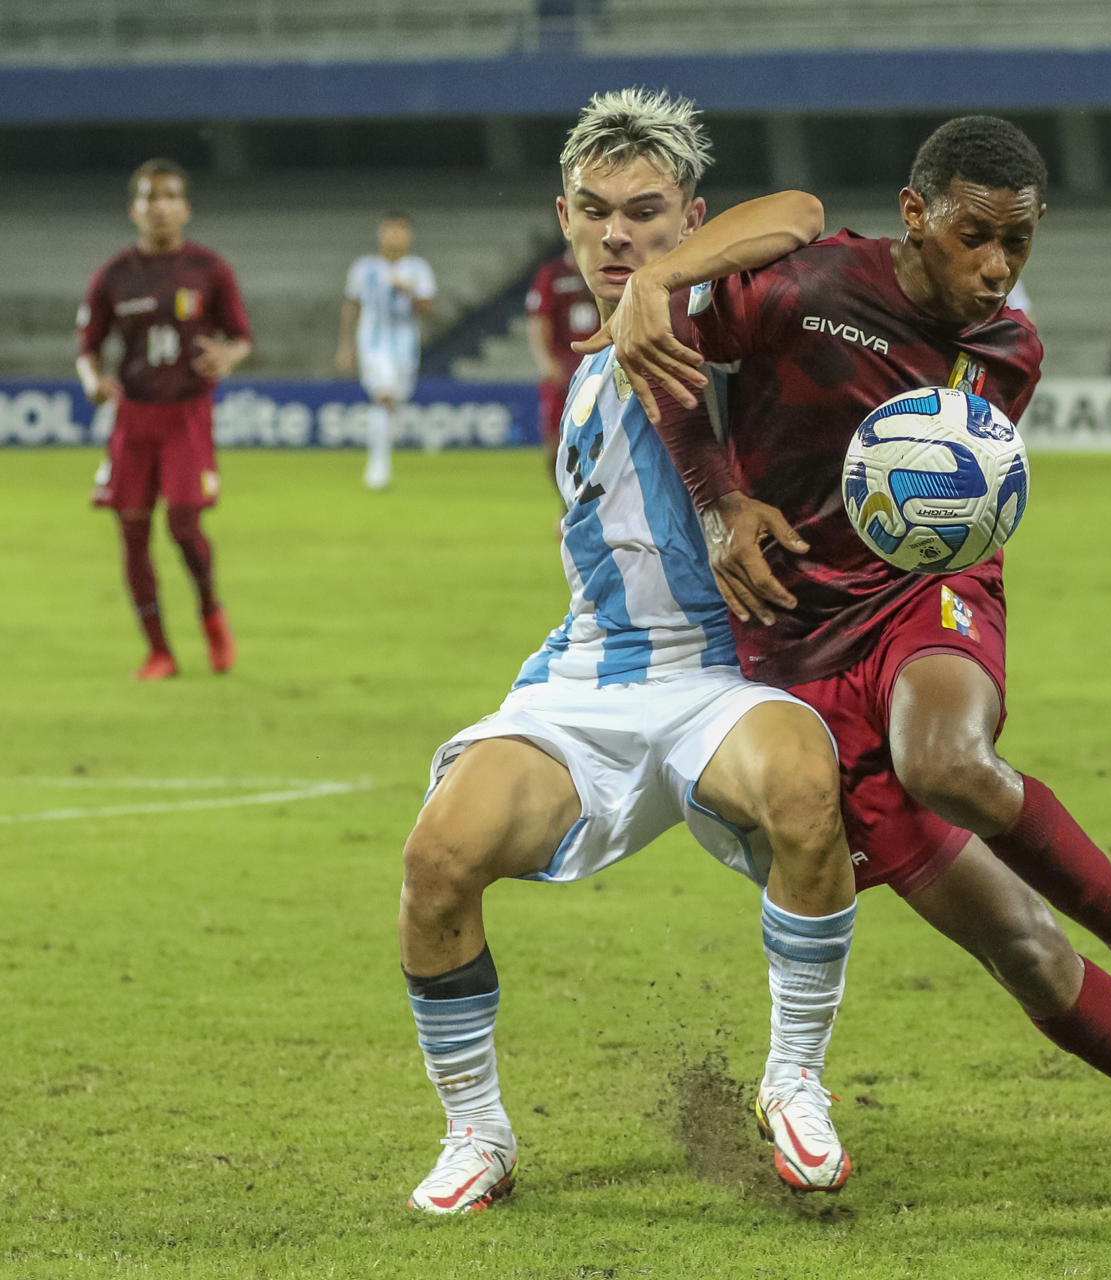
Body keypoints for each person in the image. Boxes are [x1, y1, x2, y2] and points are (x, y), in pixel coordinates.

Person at [645, 115, 1111, 1193]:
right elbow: (668, 357)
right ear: (916, 216)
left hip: (926, 587)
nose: (997, 267)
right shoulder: (801, 289)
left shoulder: (1010, 349)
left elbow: (954, 502)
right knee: (1031, 952)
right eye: (974, 237)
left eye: (1020, 243)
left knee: (947, 758)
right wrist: (722, 503)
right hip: (799, 653)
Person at [396, 88, 858, 1214]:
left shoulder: (734, 313)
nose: (618, 234)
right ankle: (478, 1134)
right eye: (597, 212)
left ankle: (794, 1079)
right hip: (587, 679)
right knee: (436, 860)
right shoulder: (593, 365)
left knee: (803, 786)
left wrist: (669, 276)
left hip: (719, 678)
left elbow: (801, 207)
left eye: (646, 213)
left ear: (688, 215)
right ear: (563, 215)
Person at [78, 158, 250, 681]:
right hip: (133, 419)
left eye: (170, 197)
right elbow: (87, 349)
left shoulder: (208, 269)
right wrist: (94, 383)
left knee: (181, 522)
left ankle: (210, 613)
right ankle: (159, 652)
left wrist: (229, 356)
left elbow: (241, 335)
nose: (160, 207)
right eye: (149, 198)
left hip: (186, 416)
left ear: (185, 208)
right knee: (131, 530)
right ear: (134, 209)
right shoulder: (113, 275)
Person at [336, 212, 436, 490]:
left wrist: (409, 292)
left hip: (405, 346)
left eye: (400, 231)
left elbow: (428, 308)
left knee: (394, 400)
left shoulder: (418, 269)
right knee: (384, 395)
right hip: (372, 343)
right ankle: (377, 468)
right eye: (389, 230)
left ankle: (381, 458)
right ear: (380, 233)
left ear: (409, 236)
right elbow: (352, 306)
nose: (394, 236)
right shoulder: (364, 268)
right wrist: (345, 347)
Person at [526, 249, 604, 502]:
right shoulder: (552, 274)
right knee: (554, 447)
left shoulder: (610, 269)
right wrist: (546, 362)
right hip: (563, 374)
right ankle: (568, 502)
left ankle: (595, 505)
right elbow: (539, 320)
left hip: (601, 370)